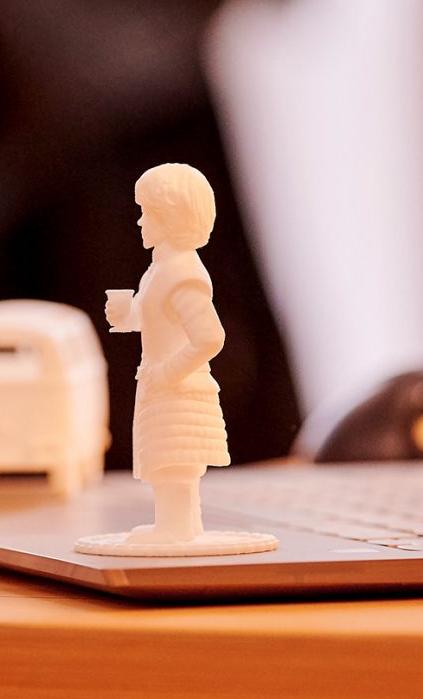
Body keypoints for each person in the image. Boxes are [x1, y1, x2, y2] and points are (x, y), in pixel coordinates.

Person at [78, 164, 275, 557]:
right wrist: (127, 317)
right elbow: (155, 318)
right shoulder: (160, 270)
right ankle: (174, 525)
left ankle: (177, 528)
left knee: (175, 461)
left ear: (171, 216)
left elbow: (210, 337)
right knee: (163, 459)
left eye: (146, 212)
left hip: (178, 387)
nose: (139, 221)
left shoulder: (184, 273)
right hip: (160, 384)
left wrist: (168, 371)